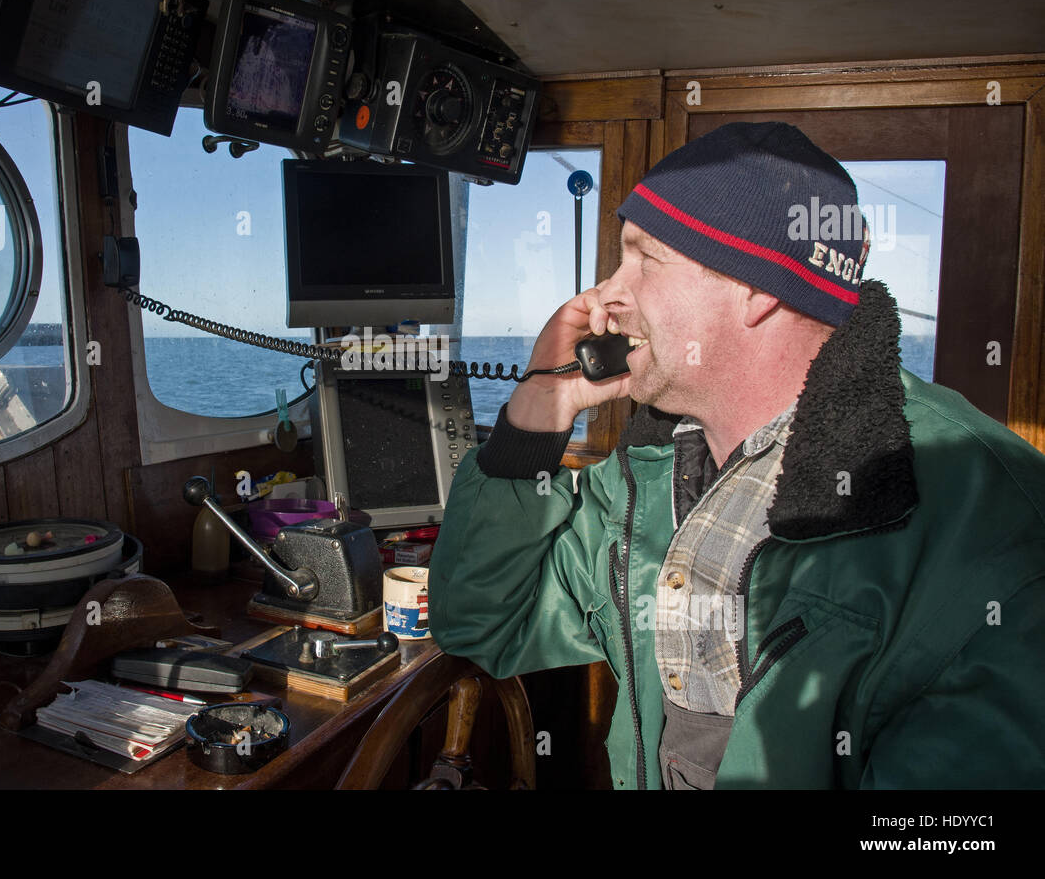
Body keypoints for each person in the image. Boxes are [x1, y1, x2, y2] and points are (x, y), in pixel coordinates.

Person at [429, 121, 1045, 789]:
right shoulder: (648, 475)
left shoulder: (990, 523)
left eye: (644, 259)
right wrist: (535, 413)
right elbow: (480, 622)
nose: (605, 295)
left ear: (755, 286)